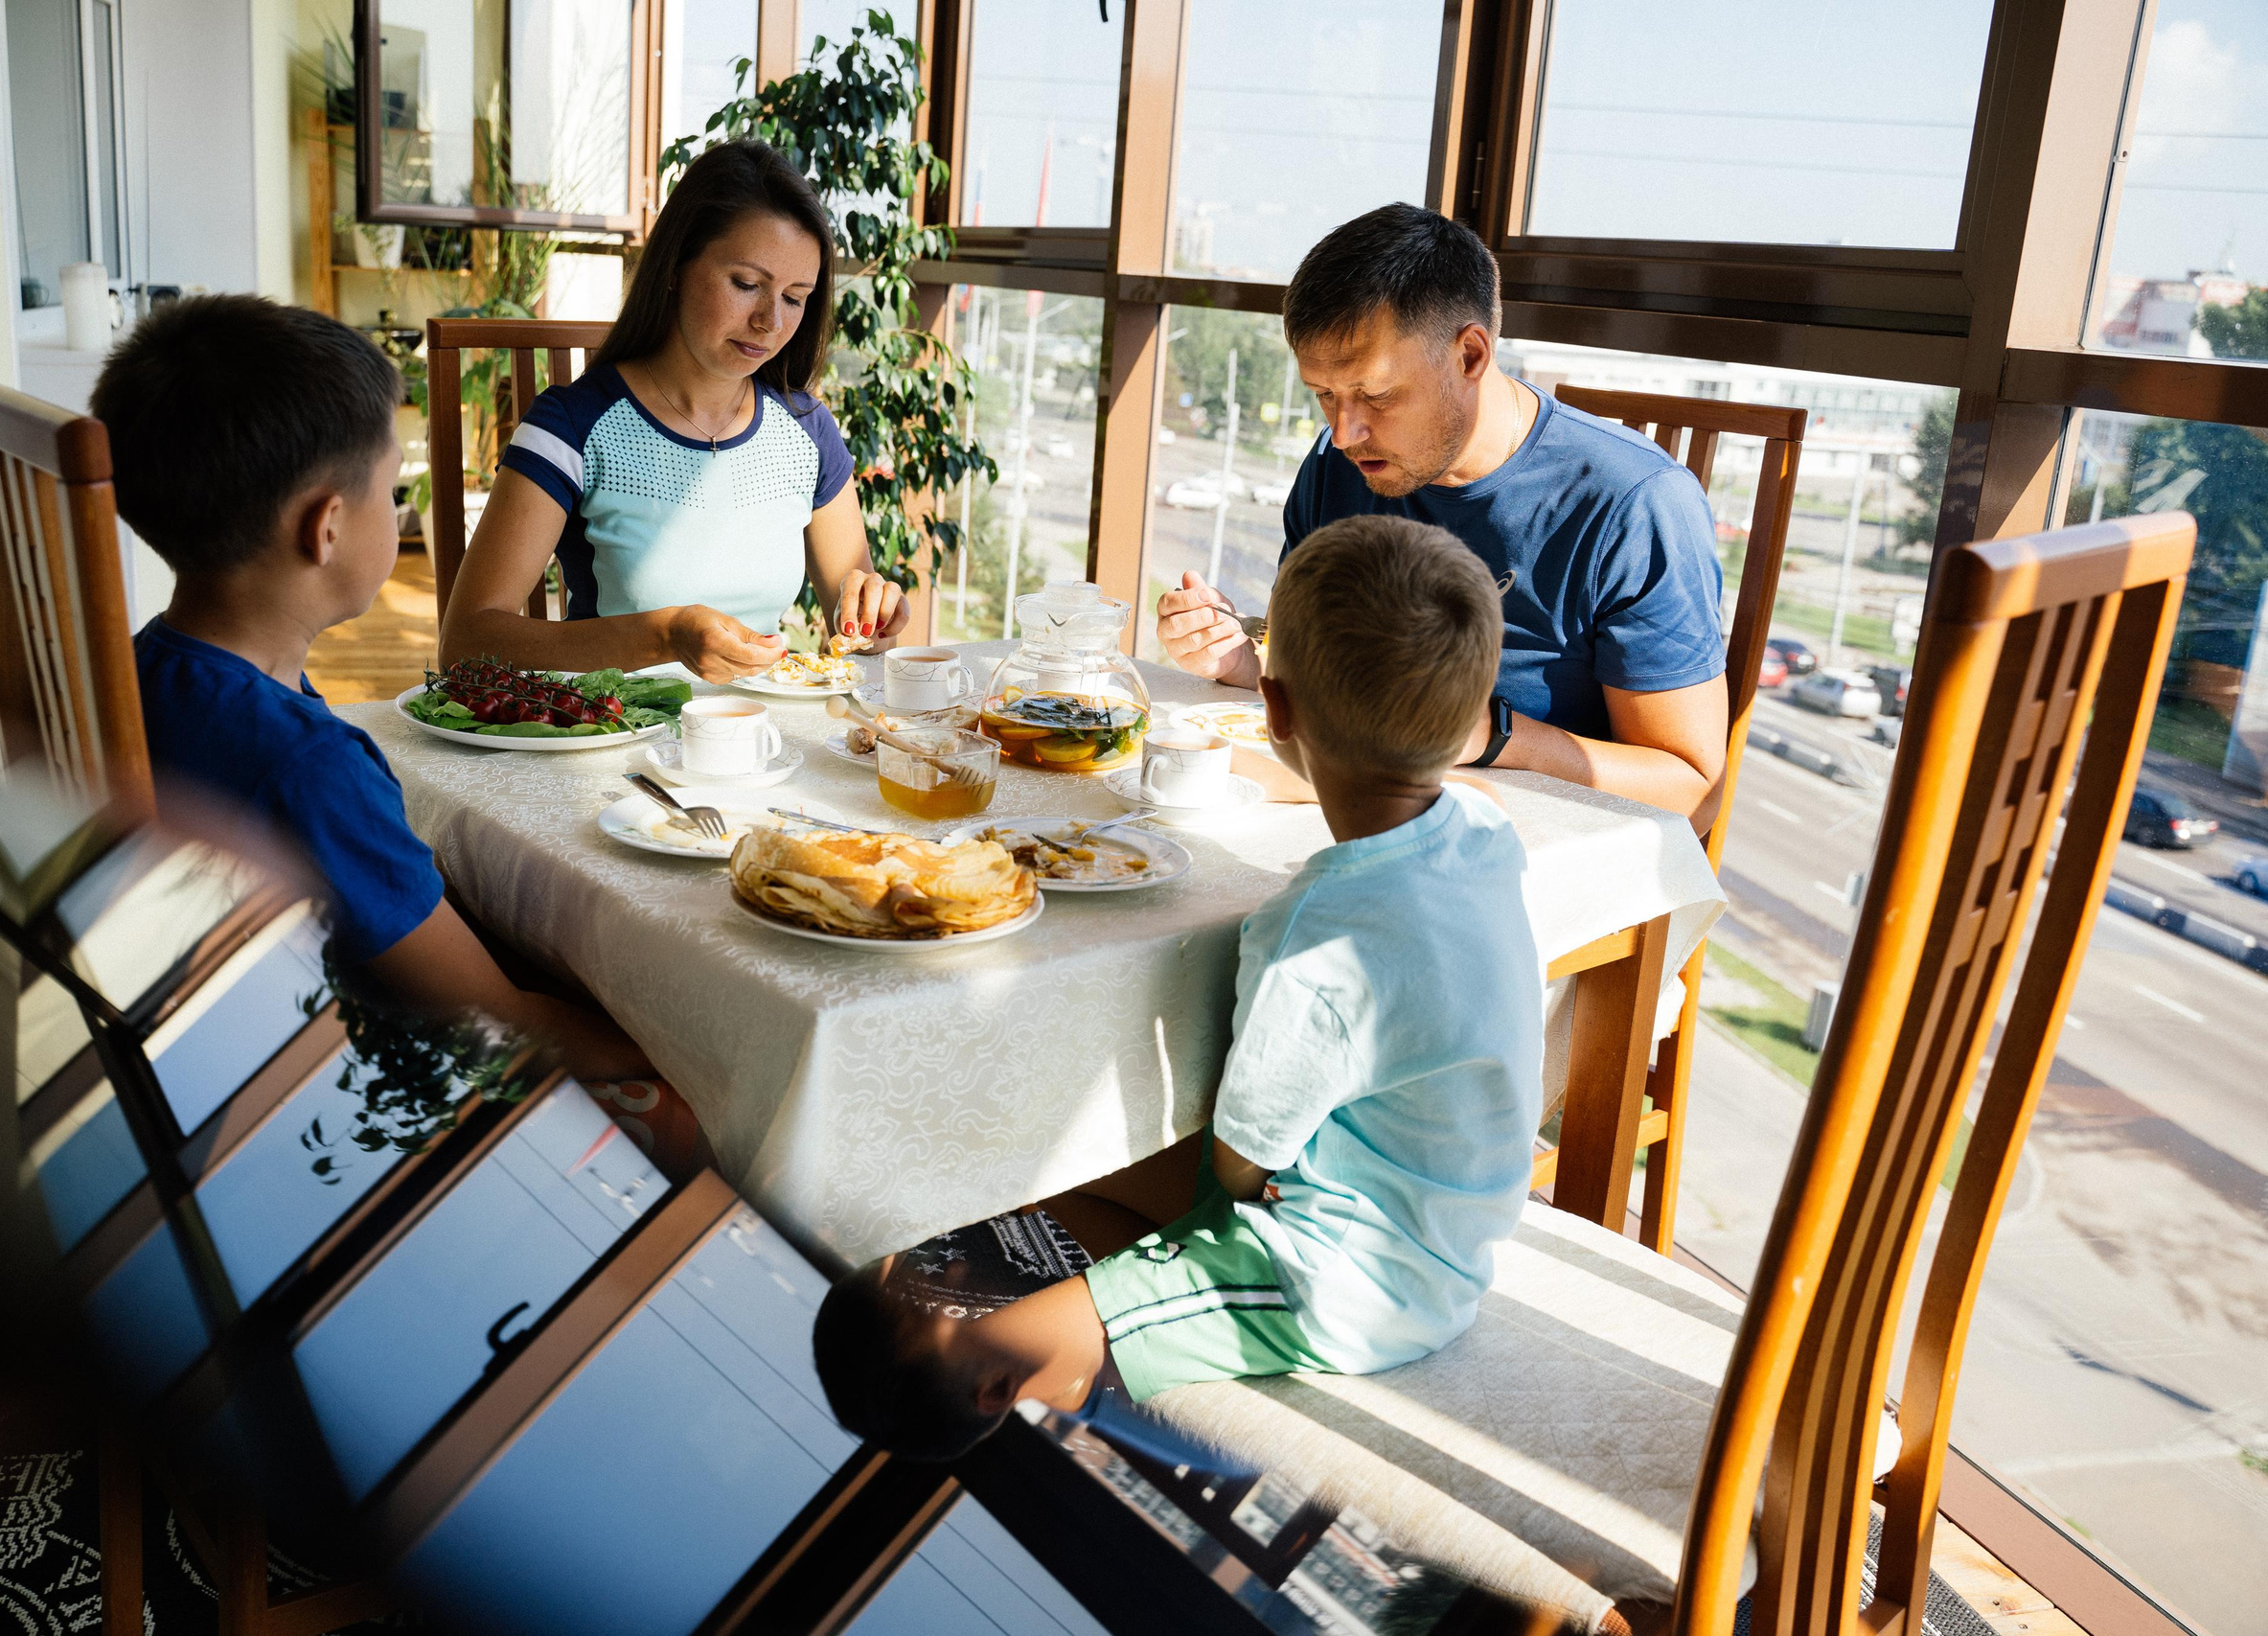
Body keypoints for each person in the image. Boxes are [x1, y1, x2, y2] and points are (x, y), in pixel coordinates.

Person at [814, 515, 1544, 1460]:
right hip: (1441, 1214)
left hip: (1340, 1275)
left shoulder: (1323, 935)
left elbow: (1244, 1157)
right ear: (1474, 712)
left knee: (1097, 1292)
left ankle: (985, 1373)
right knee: (1080, 1173)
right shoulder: (1482, 833)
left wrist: (1213, 1206)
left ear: (1273, 711)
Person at [92, 294, 709, 1172]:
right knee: (702, 1099)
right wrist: (691, 1059)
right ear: (327, 526)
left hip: (207, 1072)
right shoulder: (309, 763)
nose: (402, 510)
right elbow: (495, 1017)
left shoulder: (145, 672)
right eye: (396, 490)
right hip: (350, 1117)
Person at [1157, 204, 1729, 824]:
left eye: (1376, 394)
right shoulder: (1339, 466)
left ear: (1471, 355)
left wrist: (1498, 737)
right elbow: (1331, 680)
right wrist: (1244, 661)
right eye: (1324, 394)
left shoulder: (1635, 504)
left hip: (1529, 862)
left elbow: (1694, 794)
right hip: (1356, 823)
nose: (1345, 432)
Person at [442, 139, 902, 682]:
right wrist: (665, 636)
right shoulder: (574, 426)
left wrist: (875, 613)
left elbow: (856, 628)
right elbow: (467, 643)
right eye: (747, 284)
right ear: (674, 267)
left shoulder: (805, 429)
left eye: (795, 297)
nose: (770, 322)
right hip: (612, 739)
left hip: (757, 741)